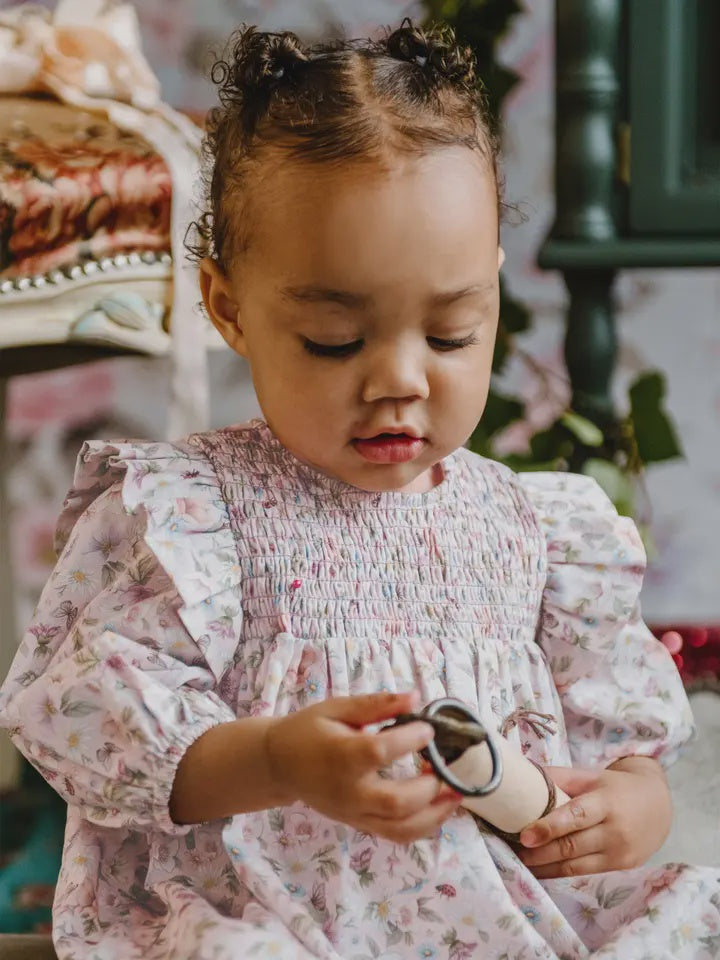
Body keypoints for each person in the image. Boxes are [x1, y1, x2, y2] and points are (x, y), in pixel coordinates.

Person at [1, 19, 718, 960]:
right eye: (335, 341)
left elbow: (622, 734)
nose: (399, 380)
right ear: (229, 307)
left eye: (453, 334)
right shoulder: (186, 519)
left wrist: (632, 803)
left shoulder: (536, 528)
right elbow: (98, 737)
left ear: (494, 295)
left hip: (500, 918)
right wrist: (278, 759)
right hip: (276, 915)